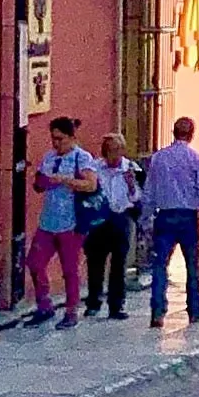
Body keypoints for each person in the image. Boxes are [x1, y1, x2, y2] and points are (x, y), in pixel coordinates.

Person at [142, 115, 199, 327]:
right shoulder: (197, 159)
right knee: (192, 265)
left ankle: (157, 312)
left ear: (173, 133)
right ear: (192, 135)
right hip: (188, 217)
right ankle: (195, 309)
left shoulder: (158, 158)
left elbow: (150, 190)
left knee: (160, 265)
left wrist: (145, 218)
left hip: (164, 216)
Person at [26, 116, 98, 329]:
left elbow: (91, 185)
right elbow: (39, 183)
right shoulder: (49, 157)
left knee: (70, 269)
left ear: (71, 137)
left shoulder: (81, 158)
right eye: (53, 139)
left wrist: (65, 180)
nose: (56, 143)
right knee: (35, 263)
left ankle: (71, 311)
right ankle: (44, 304)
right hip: (48, 221)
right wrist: (40, 182)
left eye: (60, 139)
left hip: (71, 222)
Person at [80, 133, 140, 319]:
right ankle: (93, 303)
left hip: (121, 218)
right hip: (99, 219)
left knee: (119, 264)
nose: (113, 154)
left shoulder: (131, 169)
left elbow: (137, 198)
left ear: (122, 150)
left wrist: (131, 185)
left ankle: (116, 305)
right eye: (109, 150)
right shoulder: (95, 168)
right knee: (95, 262)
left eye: (116, 150)